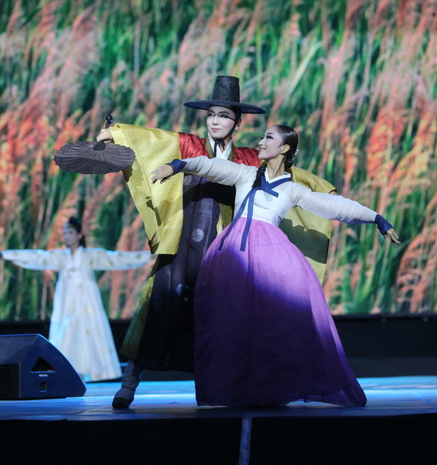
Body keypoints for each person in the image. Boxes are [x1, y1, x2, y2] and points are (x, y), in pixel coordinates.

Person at [97, 76, 337, 408]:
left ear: (237, 123)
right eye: (211, 114)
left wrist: (325, 191)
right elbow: (151, 140)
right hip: (183, 244)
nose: (215, 121)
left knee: (218, 319)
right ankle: (128, 384)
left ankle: (220, 387)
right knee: (159, 309)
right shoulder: (188, 145)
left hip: (222, 250)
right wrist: (116, 134)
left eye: (224, 116)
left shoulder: (249, 158)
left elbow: (289, 176)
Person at [151, 124, 401, 407]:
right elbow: (209, 166)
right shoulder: (245, 174)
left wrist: (376, 218)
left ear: (284, 148)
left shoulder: (292, 190)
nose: (260, 142)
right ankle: (232, 389)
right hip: (233, 256)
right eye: (262, 137)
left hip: (270, 257)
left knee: (269, 327)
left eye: (268, 138)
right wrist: (178, 165)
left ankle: (269, 388)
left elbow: (335, 206)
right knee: (229, 323)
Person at [1, 217, 153, 382]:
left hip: (87, 303)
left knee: (89, 334)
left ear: (79, 235)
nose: (66, 236)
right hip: (66, 303)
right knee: (66, 335)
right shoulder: (61, 257)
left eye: (70, 233)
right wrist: (6, 255)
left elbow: (117, 259)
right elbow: (38, 257)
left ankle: (90, 371)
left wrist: (148, 257)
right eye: (64, 233)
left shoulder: (89, 256)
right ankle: (67, 373)